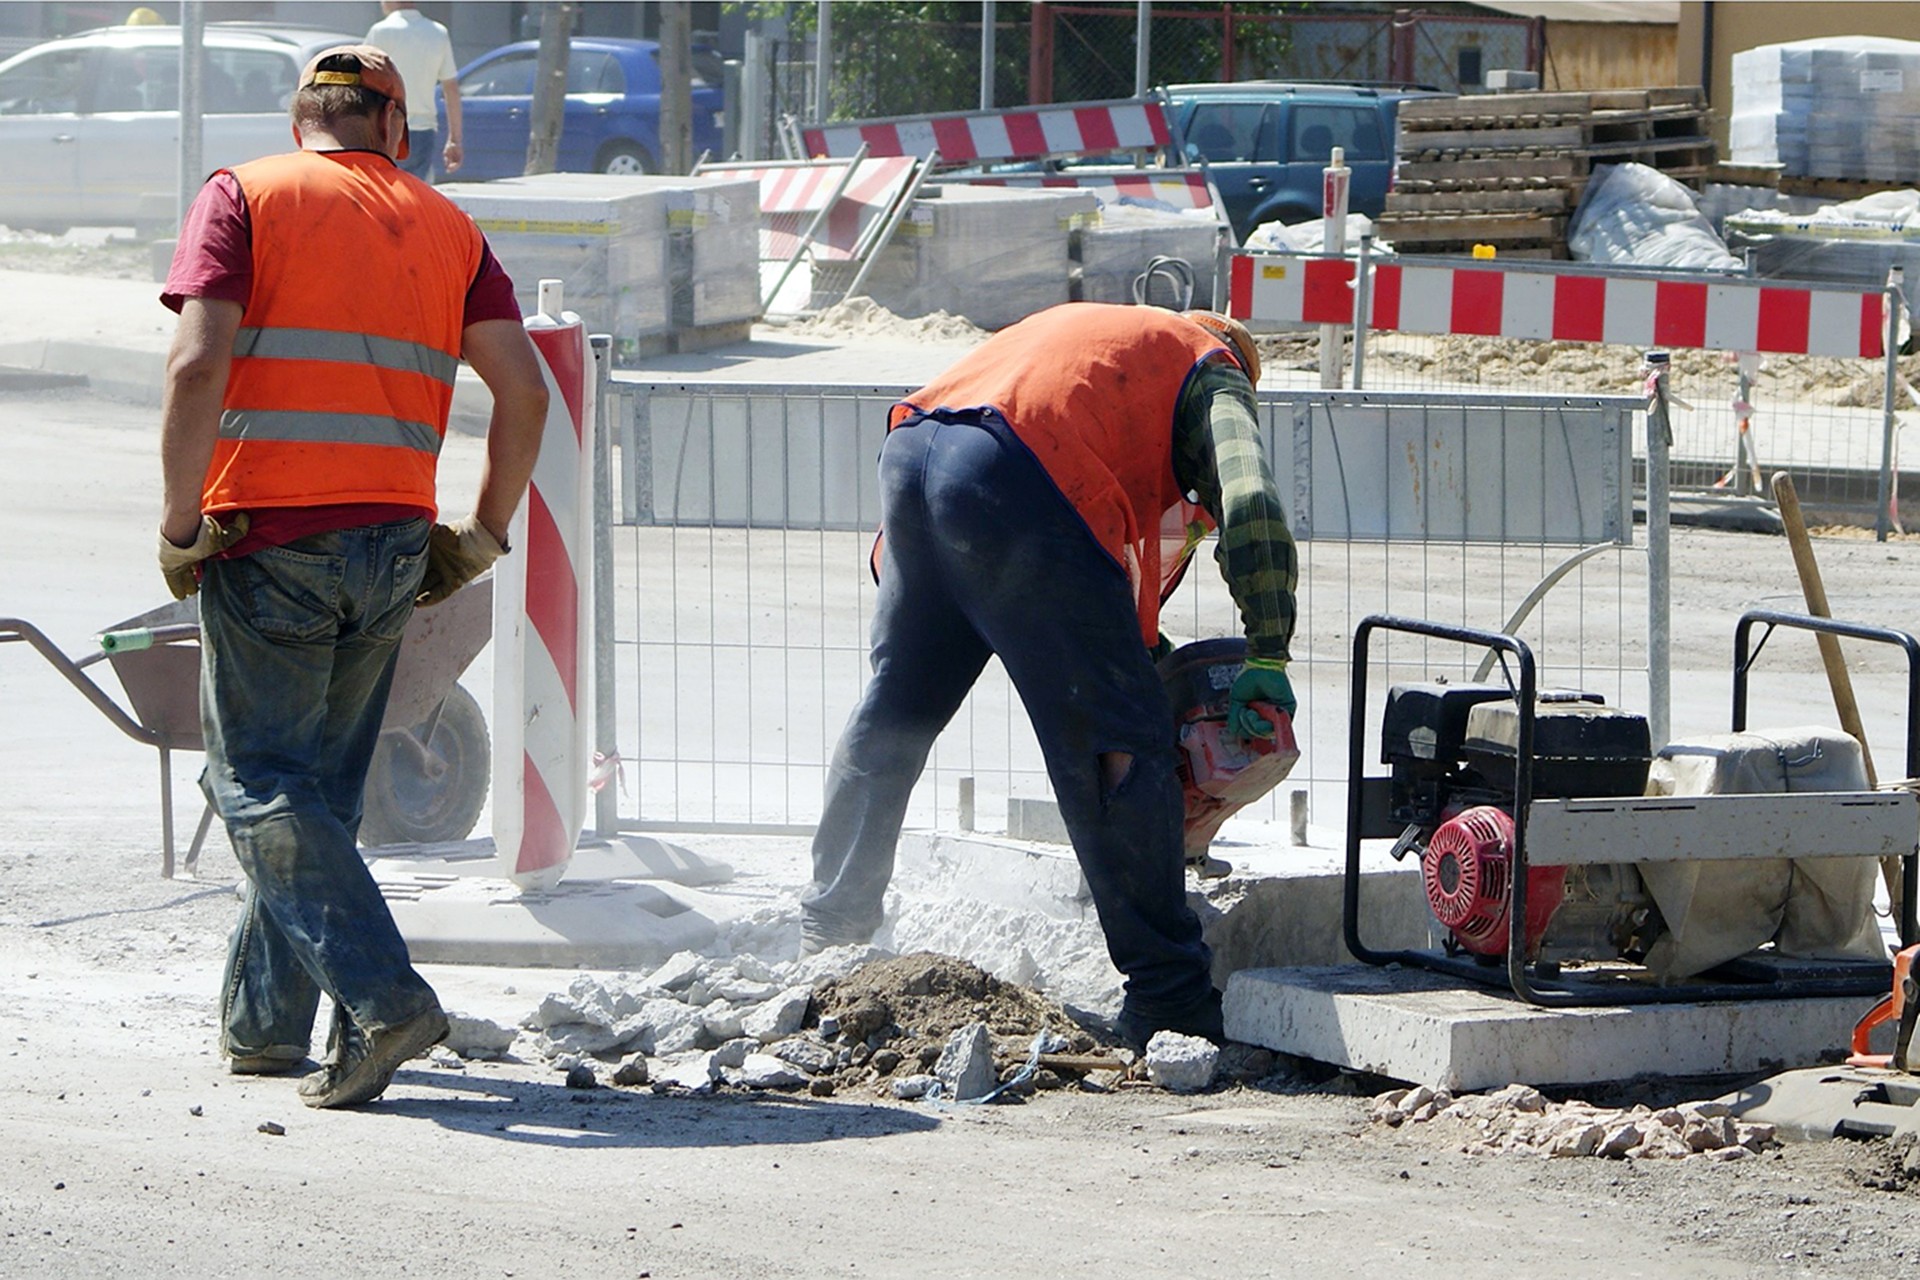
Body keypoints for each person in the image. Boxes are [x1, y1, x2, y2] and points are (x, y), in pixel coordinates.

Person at [157, 45, 548, 1108]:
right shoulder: (449, 225)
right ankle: (265, 1031)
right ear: (394, 130)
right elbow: (525, 388)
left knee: (255, 782)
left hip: (270, 537)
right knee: (315, 792)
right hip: (392, 543)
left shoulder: (245, 193)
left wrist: (182, 521)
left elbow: (197, 365)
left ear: (302, 122)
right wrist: (484, 532)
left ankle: (384, 999)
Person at [802, 303, 1300, 1051]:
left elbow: (1097, 591)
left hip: (918, 459)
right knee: (1116, 744)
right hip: (1024, 471)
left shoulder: (1103, 348)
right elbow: (1250, 501)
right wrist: (1267, 649)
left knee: (895, 713)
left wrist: (1141, 660)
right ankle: (1169, 994)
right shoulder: (1212, 369)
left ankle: (829, 940)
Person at [366, 0, 463, 181]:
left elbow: (363, 81)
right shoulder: (438, 33)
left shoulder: (380, 32)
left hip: (386, 128)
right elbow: (451, 88)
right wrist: (454, 140)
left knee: (385, 194)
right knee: (416, 196)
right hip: (423, 131)